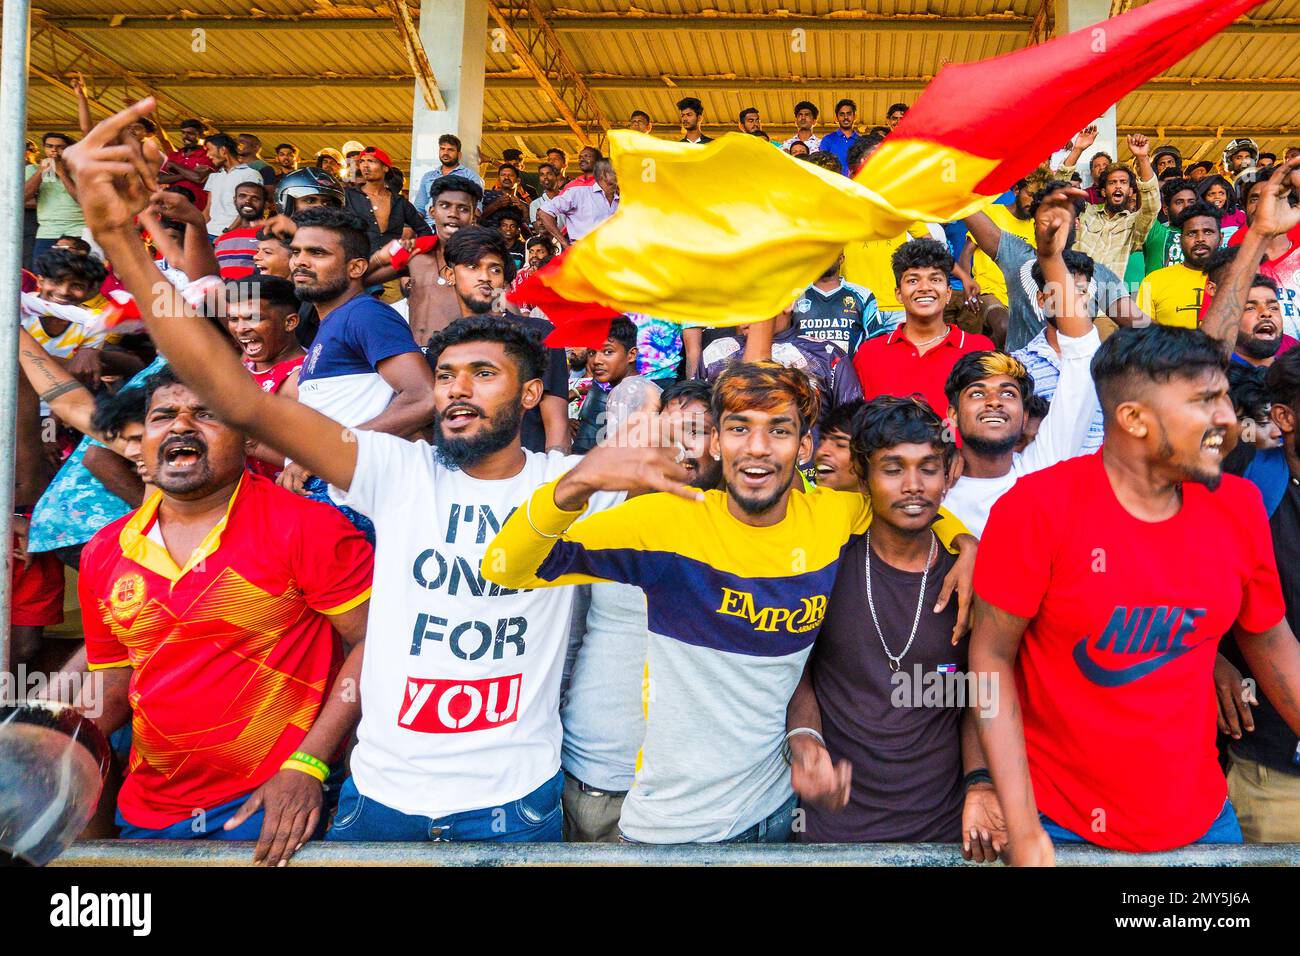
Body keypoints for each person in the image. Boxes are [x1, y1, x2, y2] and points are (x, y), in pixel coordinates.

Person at [483, 361, 976, 844]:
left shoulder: (832, 514)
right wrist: (577, 484)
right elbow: (506, 567)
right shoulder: (665, 523)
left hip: (778, 814)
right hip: (672, 828)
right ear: (717, 441)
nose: (757, 448)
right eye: (740, 428)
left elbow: (907, 505)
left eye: (779, 431)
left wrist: (966, 544)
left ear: (804, 446)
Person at [971, 324, 1300, 863]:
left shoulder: (1238, 507)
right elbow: (989, 659)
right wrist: (1024, 823)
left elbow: (1272, 645)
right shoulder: (1036, 511)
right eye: (1205, 401)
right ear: (1133, 419)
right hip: (1060, 824)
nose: (1227, 419)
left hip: (1204, 820)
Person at [76, 366, 373, 865]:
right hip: (149, 809)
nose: (181, 426)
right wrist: (46, 744)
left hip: (273, 805)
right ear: (142, 442)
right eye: (163, 416)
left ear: (248, 437)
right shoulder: (104, 550)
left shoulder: (308, 526)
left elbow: (376, 642)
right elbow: (114, 681)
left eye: (206, 414)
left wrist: (309, 765)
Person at [787, 396, 1004, 860]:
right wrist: (805, 739)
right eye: (892, 469)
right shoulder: (827, 562)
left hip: (946, 834)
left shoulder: (970, 579)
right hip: (830, 835)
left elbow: (979, 693)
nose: (913, 486)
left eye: (928, 468)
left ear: (949, 476)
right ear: (862, 479)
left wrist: (981, 784)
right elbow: (795, 667)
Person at [562, 377, 721, 842]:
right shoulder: (597, 511)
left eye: (698, 430)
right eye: (668, 429)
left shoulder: (745, 520)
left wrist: (951, 530)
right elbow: (570, 634)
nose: (679, 445)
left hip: (700, 791)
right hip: (597, 778)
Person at [942, 192, 1102, 538]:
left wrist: (1049, 257)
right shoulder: (935, 485)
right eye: (978, 393)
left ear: (1025, 413)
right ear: (953, 414)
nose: (995, 401)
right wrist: (945, 449)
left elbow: (1083, 353)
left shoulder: (1043, 467)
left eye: (1008, 393)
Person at [278, 206, 437, 528]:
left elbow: (425, 398)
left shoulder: (365, 314)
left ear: (356, 267)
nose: (301, 261)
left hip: (354, 500)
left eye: (317, 253)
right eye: (296, 252)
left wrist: (326, 452)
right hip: (334, 490)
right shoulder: (335, 320)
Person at [437, 226, 571, 453]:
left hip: (528, 477)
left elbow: (557, 428)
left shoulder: (539, 336)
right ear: (450, 275)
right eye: (472, 266)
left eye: (495, 270)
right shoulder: (445, 346)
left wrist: (552, 485)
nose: (485, 277)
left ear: (505, 281)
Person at [852, 239, 996, 426]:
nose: (925, 287)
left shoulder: (979, 349)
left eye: (935, 279)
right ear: (898, 294)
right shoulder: (869, 354)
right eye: (913, 280)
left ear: (948, 293)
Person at [1010, 249, 1106, 455]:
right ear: (1041, 299)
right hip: (1043, 479)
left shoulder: (1110, 363)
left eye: (1078, 291)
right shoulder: (1019, 366)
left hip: (1099, 479)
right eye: (1059, 292)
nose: (1069, 300)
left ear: (1087, 298)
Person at [223, 275, 306, 479]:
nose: (241, 328)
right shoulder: (245, 364)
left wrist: (250, 443)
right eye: (234, 319)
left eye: (253, 318)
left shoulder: (303, 378)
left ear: (290, 322)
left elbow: (319, 459)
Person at [1056, 130, 1159, 279]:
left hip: (1107, 296)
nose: (1118, 186)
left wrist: (1142, 158)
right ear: (1103, 192)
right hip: (1073, 292)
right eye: (1112, 183)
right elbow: (1058, 190)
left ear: (1130, 191)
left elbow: (1152, 207)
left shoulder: (1134, 224)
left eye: (1123, 182)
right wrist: (1077, 150)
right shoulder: (1085, 212)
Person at [958, 171, 1043, 347]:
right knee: (1004, 327)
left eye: (1038, 197)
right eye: (1030, 195)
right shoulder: (992, 212)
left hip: (1020, 297)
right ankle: (981, 359)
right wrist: (967, 282)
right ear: (1017, 190)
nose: (1034, 201)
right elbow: (967, 252)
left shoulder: (1037, 224)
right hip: (989, 291)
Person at [1135, 201, 1221, 328]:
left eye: (1208, 232)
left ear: (1221, 237)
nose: (1200, 239)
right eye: (1191, 233)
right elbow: (1141, 334)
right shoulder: (1153, 281)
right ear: (1180, 240)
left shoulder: (1235, 280)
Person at [344, 145, 431, 255]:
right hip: (357, 264)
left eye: (371, 161)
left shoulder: (400, 202)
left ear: (385, 168)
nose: (365, 165)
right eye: (362, 161)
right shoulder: (348, 196)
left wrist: (412, 249)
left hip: (392, 266)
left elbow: (425, 231)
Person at [572, 317, 639, 454]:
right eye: (591, 352)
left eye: (607, 352)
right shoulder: (619, 390)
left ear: (631, 355)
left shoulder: (632, 393)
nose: (596, 360)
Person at [793, 253, 881, 355]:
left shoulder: (863, 295)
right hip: (804, 370)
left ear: (841, 259)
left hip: (850, 369)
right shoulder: (795, 296)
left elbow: (876, 342)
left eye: (830, 251)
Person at [25, 132, 84, 261]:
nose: (54, 150)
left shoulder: (81, 170)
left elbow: (83, 201)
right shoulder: (33, 169)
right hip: (47, 231)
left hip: (78, 231)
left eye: (60, 147)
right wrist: (41, 172)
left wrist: (63, 174)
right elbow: (22, 198)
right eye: (49, 146)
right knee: (42, 273)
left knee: (76, 274)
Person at [536, 158, 618, 248]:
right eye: (618, 172)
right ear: (603, 174)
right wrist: (565, 244)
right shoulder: (578, 193)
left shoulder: (623, 199)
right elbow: (544, 212)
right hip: (582, 252)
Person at [412, 133, 485, 226]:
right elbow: (419, 209)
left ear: (459, 155)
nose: (445, 153)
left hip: (456, 226)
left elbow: (476, 211)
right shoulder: (428, 177)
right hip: (429, 226)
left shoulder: (470, 176)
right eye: (442, 149)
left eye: (450, 150)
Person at [203, 133, 263, 240]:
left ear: (223, 150)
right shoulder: (214, 176)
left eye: (209, 149)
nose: (207, 155)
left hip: (234, 235)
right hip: (208, 233)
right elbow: (208, 210)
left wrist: (228, 233)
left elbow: (248, 209)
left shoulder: (251, 174)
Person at [213, 181, 268, 280]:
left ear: (265, 204)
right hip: (222, 293)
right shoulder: (221, 240)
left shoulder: (270, 235)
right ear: (235, 201)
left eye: (255, 198)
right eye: (242, 196)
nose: (248, 201)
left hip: (254, 292)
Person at [1142, 178, 1199, 273]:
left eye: (1191, 202)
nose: (1187, 207)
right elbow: (1146, 193)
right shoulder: (1155, 232)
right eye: (1179, 202)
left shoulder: (1204, 238)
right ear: (1165, 209)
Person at [157, 119, 213, 213]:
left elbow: (198, 178)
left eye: (190, 133)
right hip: (172, 208)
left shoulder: (208, 155)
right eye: (183, 133)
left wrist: (175, 166)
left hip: (197, 209)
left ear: (201, 135)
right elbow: (159, 178)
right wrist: (188, 173)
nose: (185, 137)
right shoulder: (175, 155)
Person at [819, 99, 860, 175]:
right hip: (833, 184)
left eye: (849, 114)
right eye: (842, 114)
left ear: (855, 116)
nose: (845, 117)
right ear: (836, 118)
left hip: (855, 184)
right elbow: (822, 166)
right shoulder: (827, 140)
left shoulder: (860, 141)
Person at [528, 162, 565, 232]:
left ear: (556, 177)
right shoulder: (535, 204)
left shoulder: (566, 198)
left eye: (549, 174)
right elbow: (539, 230)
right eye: (542, 175)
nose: (545, 177)